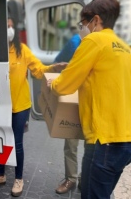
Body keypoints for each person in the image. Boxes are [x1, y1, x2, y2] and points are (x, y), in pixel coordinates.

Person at [48, 0, 131, 199]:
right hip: (124, 140)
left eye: (82, 23)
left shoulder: (94, 39)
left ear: (95, 20)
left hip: (105, 141)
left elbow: (64, 85)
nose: (81, 28)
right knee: (96, 191)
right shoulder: (124, 48)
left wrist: (53, 83)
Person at [0, 17, 67, 197]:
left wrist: (54, 67)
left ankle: (18, 179)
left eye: (12, 26)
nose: (10, 29)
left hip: (20, 105)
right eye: (7, 26)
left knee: (16, 143)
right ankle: (0, 175)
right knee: (0, 141)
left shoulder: (22, 51)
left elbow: (38, 69)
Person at [54, 31, 82, 194]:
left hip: (95, 101)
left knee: (92, 144)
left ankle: (85, 178)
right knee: (71, 143)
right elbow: (58, 62)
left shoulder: (104, 45)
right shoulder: (74, 42)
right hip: (73, 99)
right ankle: (71, 179)